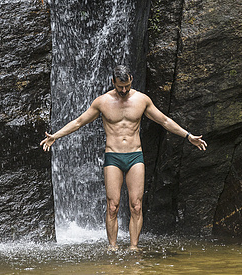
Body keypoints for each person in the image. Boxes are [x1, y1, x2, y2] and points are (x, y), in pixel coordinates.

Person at [40, 65, 207, 250]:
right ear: (113, 82)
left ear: (131, 80)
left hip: (135, 156)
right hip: (113, 157)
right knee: (113, 205)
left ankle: (134, 247)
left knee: (136, 205)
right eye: (120, 86)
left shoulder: (142, 100)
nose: (124, 90)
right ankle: (112, 247)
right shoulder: (102, 102)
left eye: (127, 86)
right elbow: (79, 122)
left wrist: (188, 135)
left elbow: (164, 120)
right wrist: (55, 136)